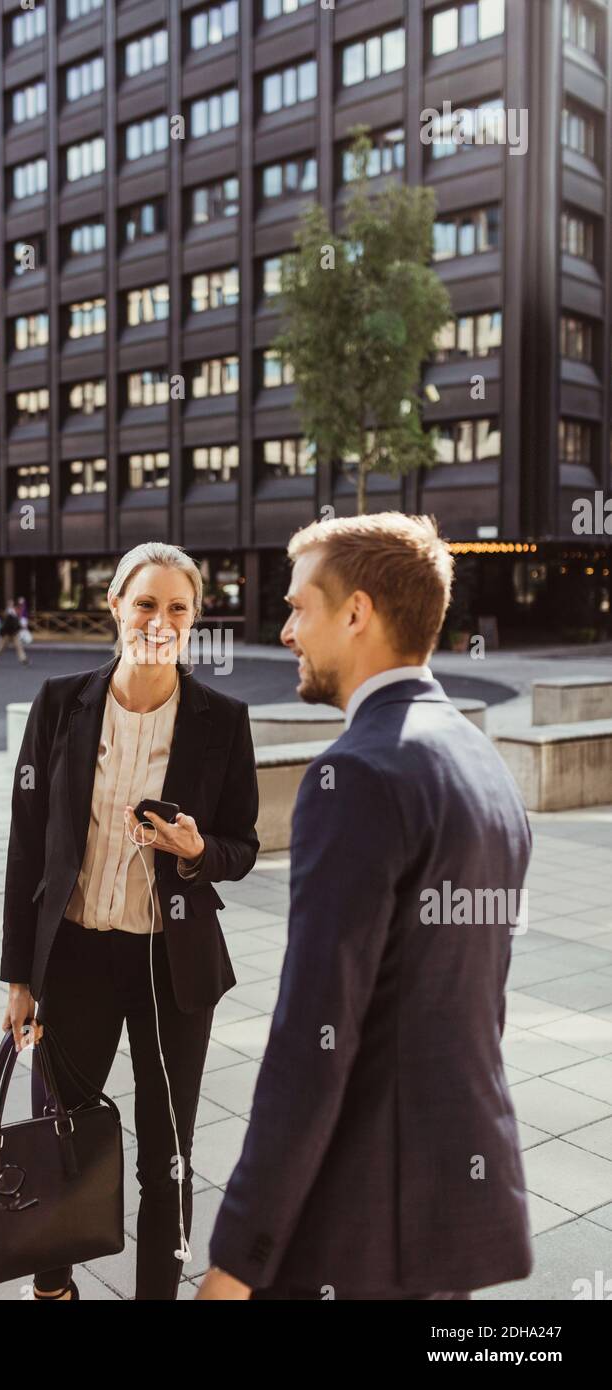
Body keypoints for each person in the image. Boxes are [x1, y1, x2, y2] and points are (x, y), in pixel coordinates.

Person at [199, 512, 533, 1301]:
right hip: (452, 1206)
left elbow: (314, 1037)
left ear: (357, 613)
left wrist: (239, 1257)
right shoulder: (483, 762)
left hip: (361, 1227)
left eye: (298, 608)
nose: (285, 632)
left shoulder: (354, 776)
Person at [1, 542, 259, 1300]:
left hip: (171, 968)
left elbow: (243, 845)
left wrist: (196, 849)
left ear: (194, 620)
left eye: (178, 607)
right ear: (115, 605)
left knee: (166, 1154)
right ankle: (52, 1287)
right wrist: (20, 975)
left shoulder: (222, 719)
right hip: (73, 956)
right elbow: (27, 848)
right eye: (146, 602)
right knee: (63, 1139)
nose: (160, 619)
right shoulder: (60, 704)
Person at [0, 602, 28, 667]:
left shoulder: (15, 614)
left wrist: (19, 627)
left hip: (14, 633)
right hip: (7, 634)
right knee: (2, 647)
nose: (20, 610)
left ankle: (23, 659)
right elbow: (7, 626)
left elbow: (16, 624)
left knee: (19, 646)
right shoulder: (10, 614)